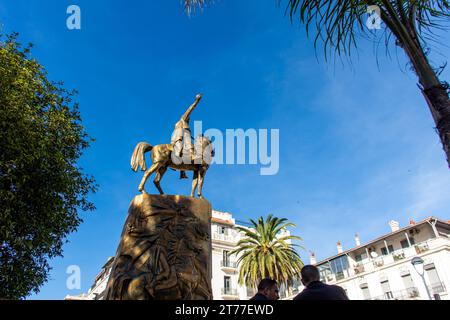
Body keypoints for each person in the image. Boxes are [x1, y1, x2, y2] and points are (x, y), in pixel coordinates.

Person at [170, 94, 202, 179]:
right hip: (182, 136)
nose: (189, 119)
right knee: (189, 148)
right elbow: (190, 109)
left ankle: (182, 172)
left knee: (183, 153)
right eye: (188, 119)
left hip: (177, 137)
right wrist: (197, 101)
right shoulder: (183, 119)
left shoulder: (178, 126)